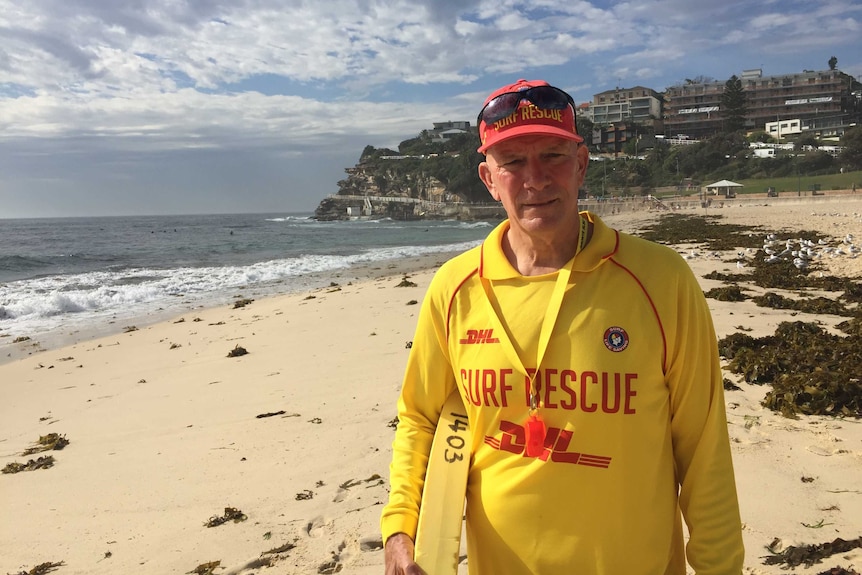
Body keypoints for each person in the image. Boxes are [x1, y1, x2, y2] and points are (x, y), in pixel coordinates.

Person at [381, 79, 744, 574]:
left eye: (552, 155)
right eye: (513, 162)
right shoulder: (455, 289)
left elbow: (705, 453)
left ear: (581, 164)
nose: (535, 179)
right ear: (489, 178)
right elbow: (421, 418)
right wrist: (400, 528)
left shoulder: (660, 281)